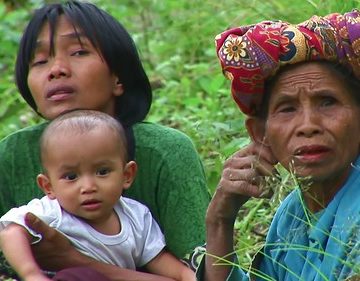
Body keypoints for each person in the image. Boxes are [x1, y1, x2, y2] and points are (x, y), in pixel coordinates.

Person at [0, 0, 210, 279]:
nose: (56, 69)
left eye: (78, 51)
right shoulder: (12, 154)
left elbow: (201, 272)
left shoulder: (165, 152)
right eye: (39, 61)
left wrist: (73, 260)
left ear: (118, 77)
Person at [197, 9, 360, 281]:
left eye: (328, 101)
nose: (308, 125)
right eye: (287, 109)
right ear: (261, 134)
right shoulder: (293, 214)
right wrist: (219, 222)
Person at [0, 110, 196, 281]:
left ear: (127, 175)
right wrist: (31, 274)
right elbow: (11, 233)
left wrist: (187, 276)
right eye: (71, 176)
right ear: (48, 186)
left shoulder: (136, 217)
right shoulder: (52, 213)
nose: (88, 187)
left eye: (102, 172)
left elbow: (163, 264)